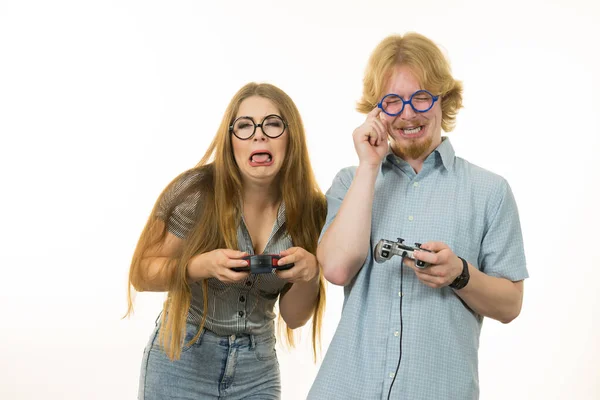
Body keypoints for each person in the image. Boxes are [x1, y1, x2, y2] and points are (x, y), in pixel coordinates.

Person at [309, 33, 528, 399]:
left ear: (445, 99)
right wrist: (369, 165)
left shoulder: (489, 191)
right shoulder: (352, 180)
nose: (408, 113)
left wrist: (461, 275)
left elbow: (511, 305)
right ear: (376, 112)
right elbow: (335, 269)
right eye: (392, 102)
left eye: (421, 97)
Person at [126, 82, 327, 400]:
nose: (259, 135)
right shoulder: (196, 191)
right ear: (230, 139)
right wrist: (198, 266)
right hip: (182, 360)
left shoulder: (311, 209)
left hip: (257, 369)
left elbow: (294, 317)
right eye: (245, 126)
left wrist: (309, 275)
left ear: (292, 137)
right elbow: (141, 274)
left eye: (273, 124)